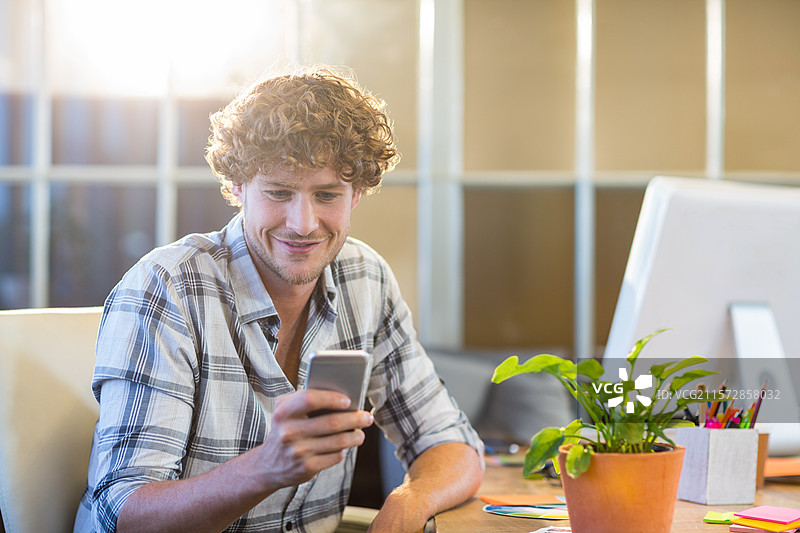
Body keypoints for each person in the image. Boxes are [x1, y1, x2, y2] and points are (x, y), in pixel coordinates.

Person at [74, 66, 484, 533]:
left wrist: (408, 503)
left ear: (356, 195)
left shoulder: (365, 278)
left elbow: (453, 445)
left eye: (326, 194)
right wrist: (265, 468)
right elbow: (121, 515)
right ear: (236, 187)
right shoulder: (166, 288)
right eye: (279, 192)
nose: (303, 223)